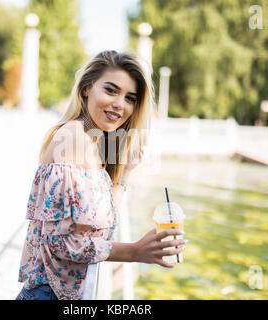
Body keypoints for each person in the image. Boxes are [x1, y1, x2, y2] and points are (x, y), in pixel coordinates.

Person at [16, 50, 186, 300]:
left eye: (130, 98)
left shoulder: (94, 143)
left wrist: (125, 173)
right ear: (86, 88)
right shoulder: (72, 138)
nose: (120, 104)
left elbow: (96, 223)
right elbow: (60, 243)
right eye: (111, 90)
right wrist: (136, 252)